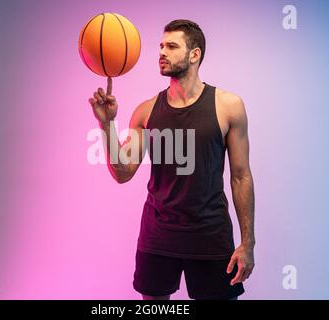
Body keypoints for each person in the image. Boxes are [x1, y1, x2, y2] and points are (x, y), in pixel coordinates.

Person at [88, 19, 255, 300]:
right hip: (159, 236)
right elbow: (122, 172)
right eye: (161, 46)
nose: (162, 52)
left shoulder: (228, 106)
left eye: (172, 46)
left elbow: (241, 176)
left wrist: (248, 242)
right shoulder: (146, 111)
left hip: (210, 235)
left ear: (195, 54)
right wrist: (107, 125)